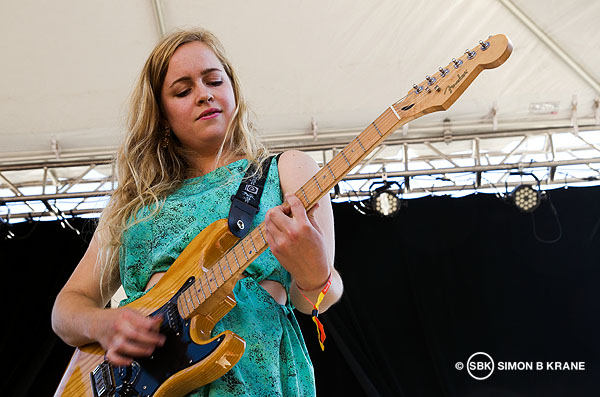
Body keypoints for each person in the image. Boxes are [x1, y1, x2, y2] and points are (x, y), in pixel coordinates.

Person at [51, 29, 342, 396]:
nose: (204, 94)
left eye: (214, 80)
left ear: (232, 88)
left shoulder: (289, 170)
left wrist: (315, 272)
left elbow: (314, 300)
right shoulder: (133, 204)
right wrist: (103, 324)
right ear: (162, 114)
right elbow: (66, 309)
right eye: (183, 91)